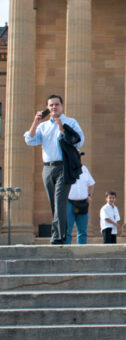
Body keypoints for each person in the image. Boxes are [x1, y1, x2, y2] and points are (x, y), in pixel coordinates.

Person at [24, 94, 85, 245]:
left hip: (64, 166)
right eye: (51, 105)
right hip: (47, 168)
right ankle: (61, 234)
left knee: (59, 201)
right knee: (54, 203)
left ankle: (58, 236)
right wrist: (35, 122)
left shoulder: (70, 122)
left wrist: (61, 128)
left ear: (62, 106)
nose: (54, 107)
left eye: (56, 104)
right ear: (47, 108)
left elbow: (79, 141)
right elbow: (30, 140)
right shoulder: (43, 126)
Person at [66, 152, 95, 245]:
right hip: (69, 202)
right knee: (67, 230)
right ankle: (66, 251)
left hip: (83, 203)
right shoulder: (65, 169)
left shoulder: (84, 169)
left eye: (79, 157)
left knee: (82, 231)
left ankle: (81, 251)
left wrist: (89, 195)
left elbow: (91, 184)